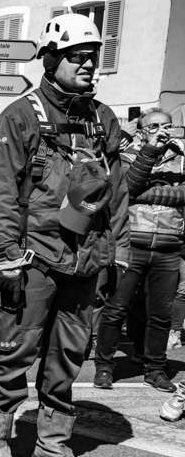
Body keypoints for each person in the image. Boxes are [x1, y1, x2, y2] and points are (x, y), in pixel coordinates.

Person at [0, 12, 128, 457]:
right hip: (33, 260)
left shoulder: (103, 119)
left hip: (86, 260)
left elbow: (117, 192)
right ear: (50, 59)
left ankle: (52, 445)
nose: (88, 64)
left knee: (68, 356)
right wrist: (6, 257)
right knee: (13, 352)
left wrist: (118, 253)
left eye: (93, 56)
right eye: (77, 56)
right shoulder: (19, 116)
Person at [93, 108, 185, 393]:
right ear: (142, 132)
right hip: (132, 244)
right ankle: (104, 366)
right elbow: (128, 187)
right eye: (153, 126)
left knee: (160, 315)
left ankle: (154, 369)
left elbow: (138, 193)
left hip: (169, 247)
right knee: (116, 309)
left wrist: (142, 194)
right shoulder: (128, 156)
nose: (161, 131)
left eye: (166, 125)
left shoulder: (181, 159)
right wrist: (150, 151)